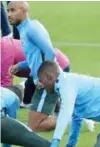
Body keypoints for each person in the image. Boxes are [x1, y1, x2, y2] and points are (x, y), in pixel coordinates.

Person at [38, 61, 100, 147]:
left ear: (49, 77)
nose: (40, 85)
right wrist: (71, 144)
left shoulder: (66, 83)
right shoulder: (64, 86)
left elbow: (66, 112)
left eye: (41, 81)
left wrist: (55, 141)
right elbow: (76, 117)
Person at [7, 1, 61, 132]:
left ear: (24, 11)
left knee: (35, 126)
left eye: (13, 10)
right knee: (36, 121)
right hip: (47, 78)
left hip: (45, 81)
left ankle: (73, 116)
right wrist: (20, 65)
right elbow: (35, 55)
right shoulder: (28, 28)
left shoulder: (30, 30)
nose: (9, 14)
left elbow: (50, 52)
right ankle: (70, 112)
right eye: (8, 11)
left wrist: (44, 78)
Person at [1, 37, 70, 106]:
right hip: (41, 70)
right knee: (27, 99)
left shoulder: (4, 51)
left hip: (57, 66)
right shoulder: (4, 45)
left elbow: (6, 82)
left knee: (45, 105)